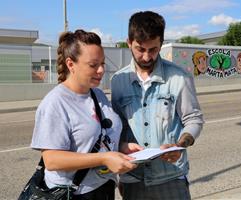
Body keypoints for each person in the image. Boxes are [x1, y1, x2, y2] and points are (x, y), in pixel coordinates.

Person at [31, 29, 142, 200]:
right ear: (70, 64)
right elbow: (52, 160)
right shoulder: (55, 103)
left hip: (103, 187)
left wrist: (122, 148)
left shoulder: (97, 94)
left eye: (103, 64)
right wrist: (104, 158)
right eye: (93, 65)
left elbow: (98, 139)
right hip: (73, 193)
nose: (101, 70)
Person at [111, 11, 204, 200]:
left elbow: (193, 119)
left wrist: (179, 146)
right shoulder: (117, 81)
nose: (146, 57)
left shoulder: (179, 77)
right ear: (128, 42)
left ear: (161, 43)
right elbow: (116, 128)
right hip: (132, 179)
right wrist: (121, 153)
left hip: (170, 178)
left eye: (153, 50)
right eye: (140, 49)